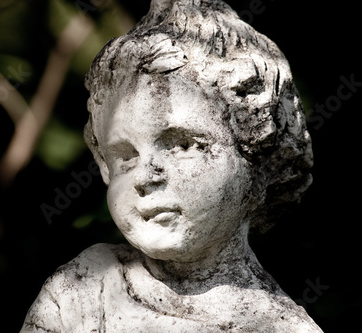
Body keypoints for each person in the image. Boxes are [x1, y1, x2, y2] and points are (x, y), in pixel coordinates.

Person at [20, 0, 321, 331]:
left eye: (183, 145)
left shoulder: (279, 327)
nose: (146, 177)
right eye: (125, 157)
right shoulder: (80, 292)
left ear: (258, 158)